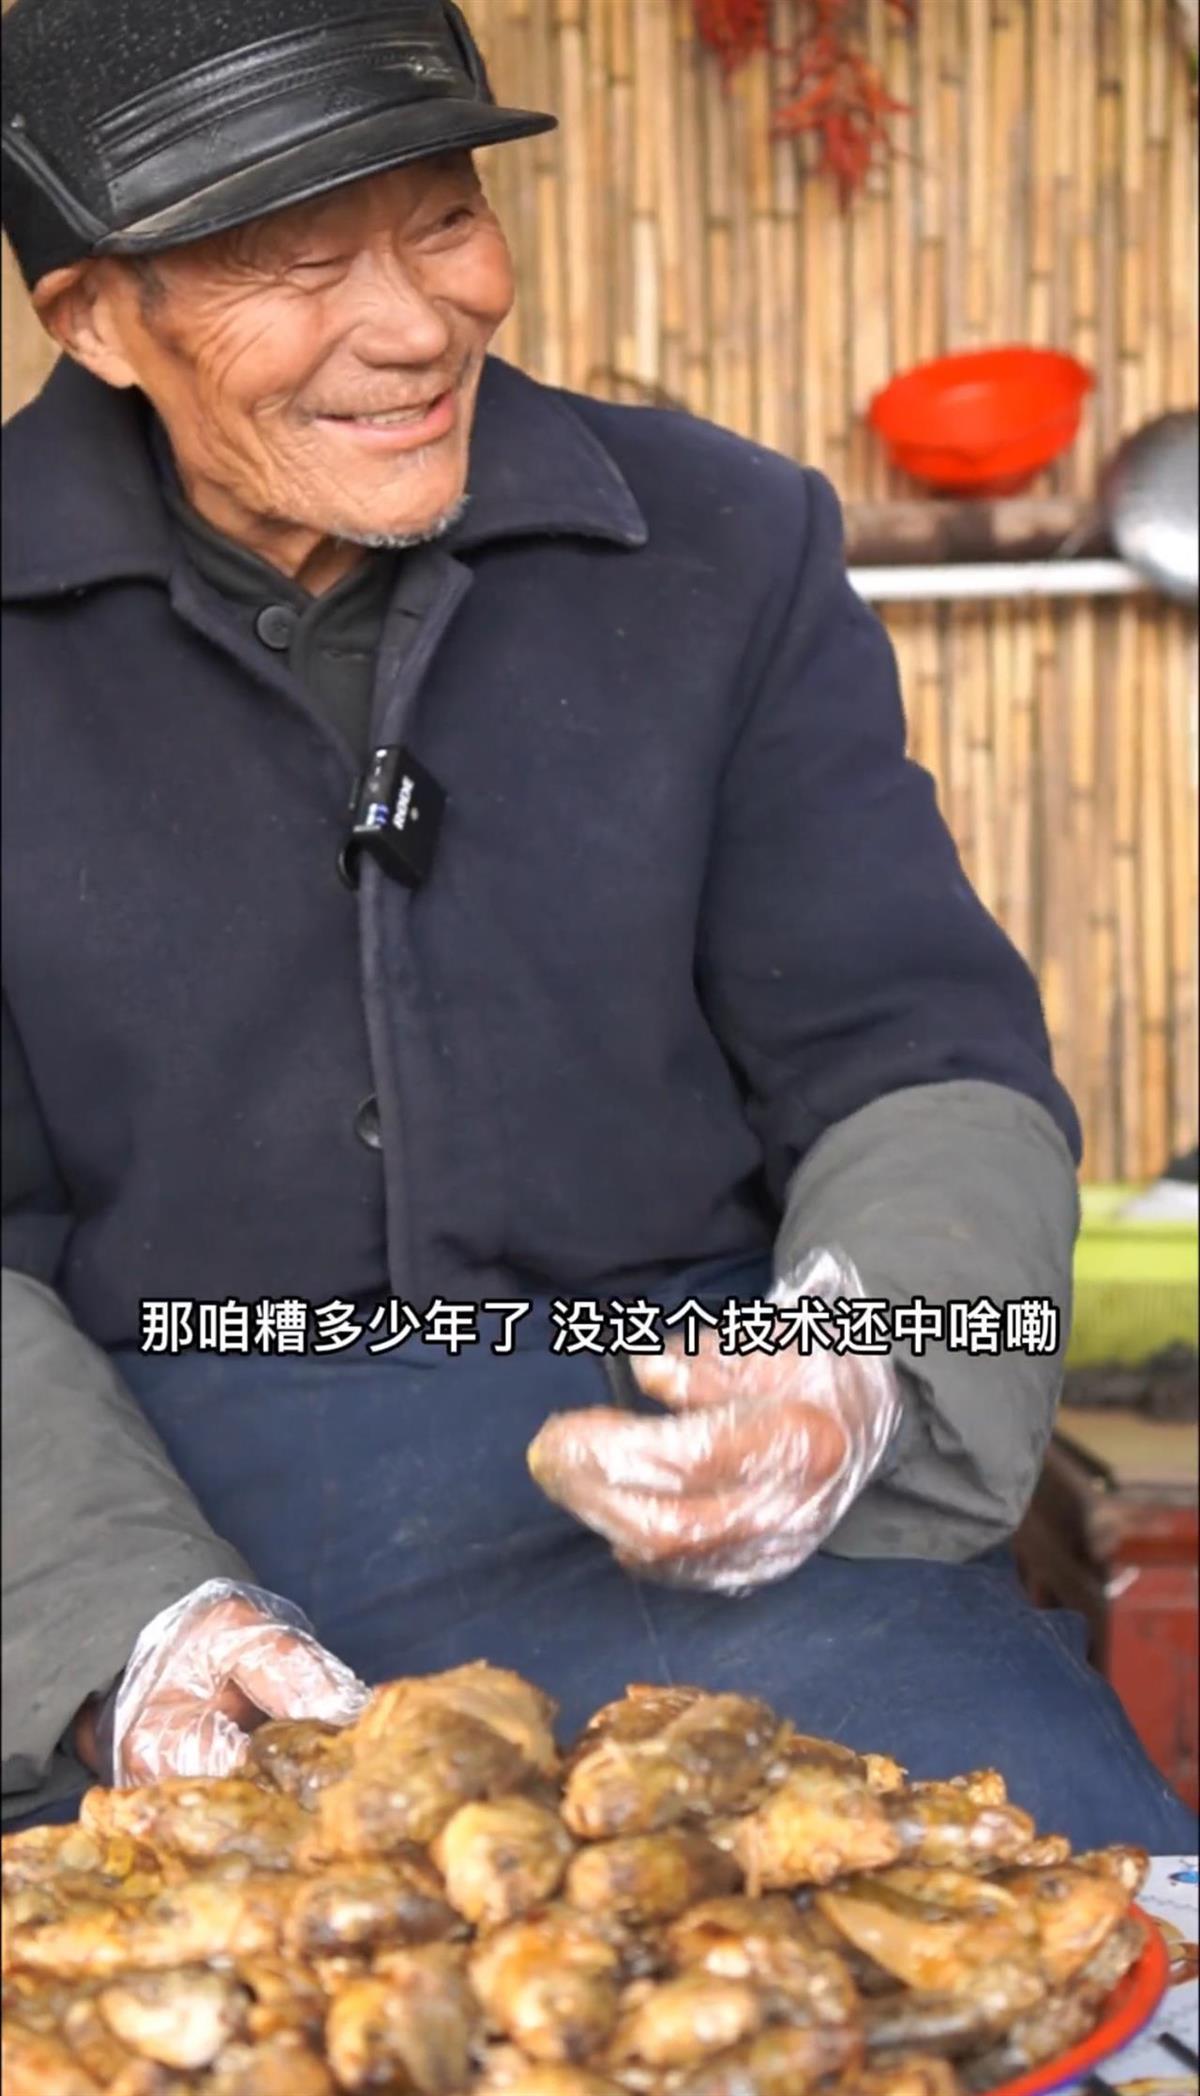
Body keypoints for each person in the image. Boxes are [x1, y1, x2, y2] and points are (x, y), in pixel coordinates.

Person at [2, 0, 1194, 1850]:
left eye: (445, 220)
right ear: (93, 316)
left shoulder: (726, 543)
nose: (419, 323)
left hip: (699, 1510)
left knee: (1066, 1897)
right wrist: (114, 1621)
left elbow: (917, 1063)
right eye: (300, 265)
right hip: (125, 1502)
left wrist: (856, 1371)